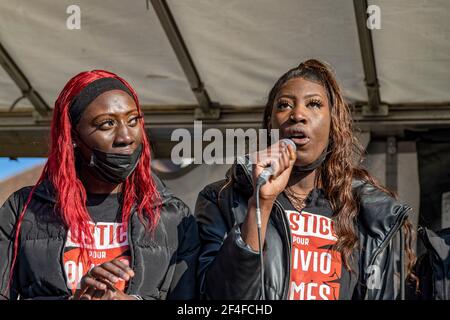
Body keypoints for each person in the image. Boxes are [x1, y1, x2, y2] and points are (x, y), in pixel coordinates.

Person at [195, 59, 417, 300]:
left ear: (334, 124)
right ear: (270, 124)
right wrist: (260, 204)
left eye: (313, 104)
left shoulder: (371, 215)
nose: (297, 114)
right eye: (284, 105)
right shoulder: (222, 200)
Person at [0, 70, 199, 300]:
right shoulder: (23, 210)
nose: (126, 136)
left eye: (133, 120)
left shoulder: (173, 217)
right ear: (73, 136)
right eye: (106, 124)